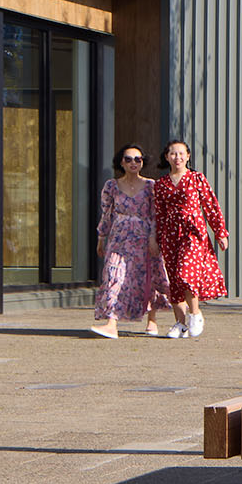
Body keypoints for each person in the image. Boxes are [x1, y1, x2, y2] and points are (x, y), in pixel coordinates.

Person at [151, 140, 228, 340]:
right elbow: (159, 214)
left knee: (187, 272)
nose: (177, 157)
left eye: (181, 153)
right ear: (167, 157)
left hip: (193, 232)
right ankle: (180, 324)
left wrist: (220, 232)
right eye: (173, 154)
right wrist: (157, 239)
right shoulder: (160, 185)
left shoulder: (196, 178)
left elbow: (211, 205)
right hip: (170, 234)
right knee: (174, 280)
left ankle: (195, 314)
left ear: (188, 156)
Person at [91, 145, 171, 339]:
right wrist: (101, 237)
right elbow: (106, 214)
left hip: (144, 237)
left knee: (147, 277)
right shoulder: (111, 186)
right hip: (119, 238)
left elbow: (155, 215)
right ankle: (111, 323)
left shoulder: (151, 185)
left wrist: (153, 238)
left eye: (138, 159)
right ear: (121, 162)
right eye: (128, 159)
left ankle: (152, 320)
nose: (133, 163)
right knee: (113, 275)